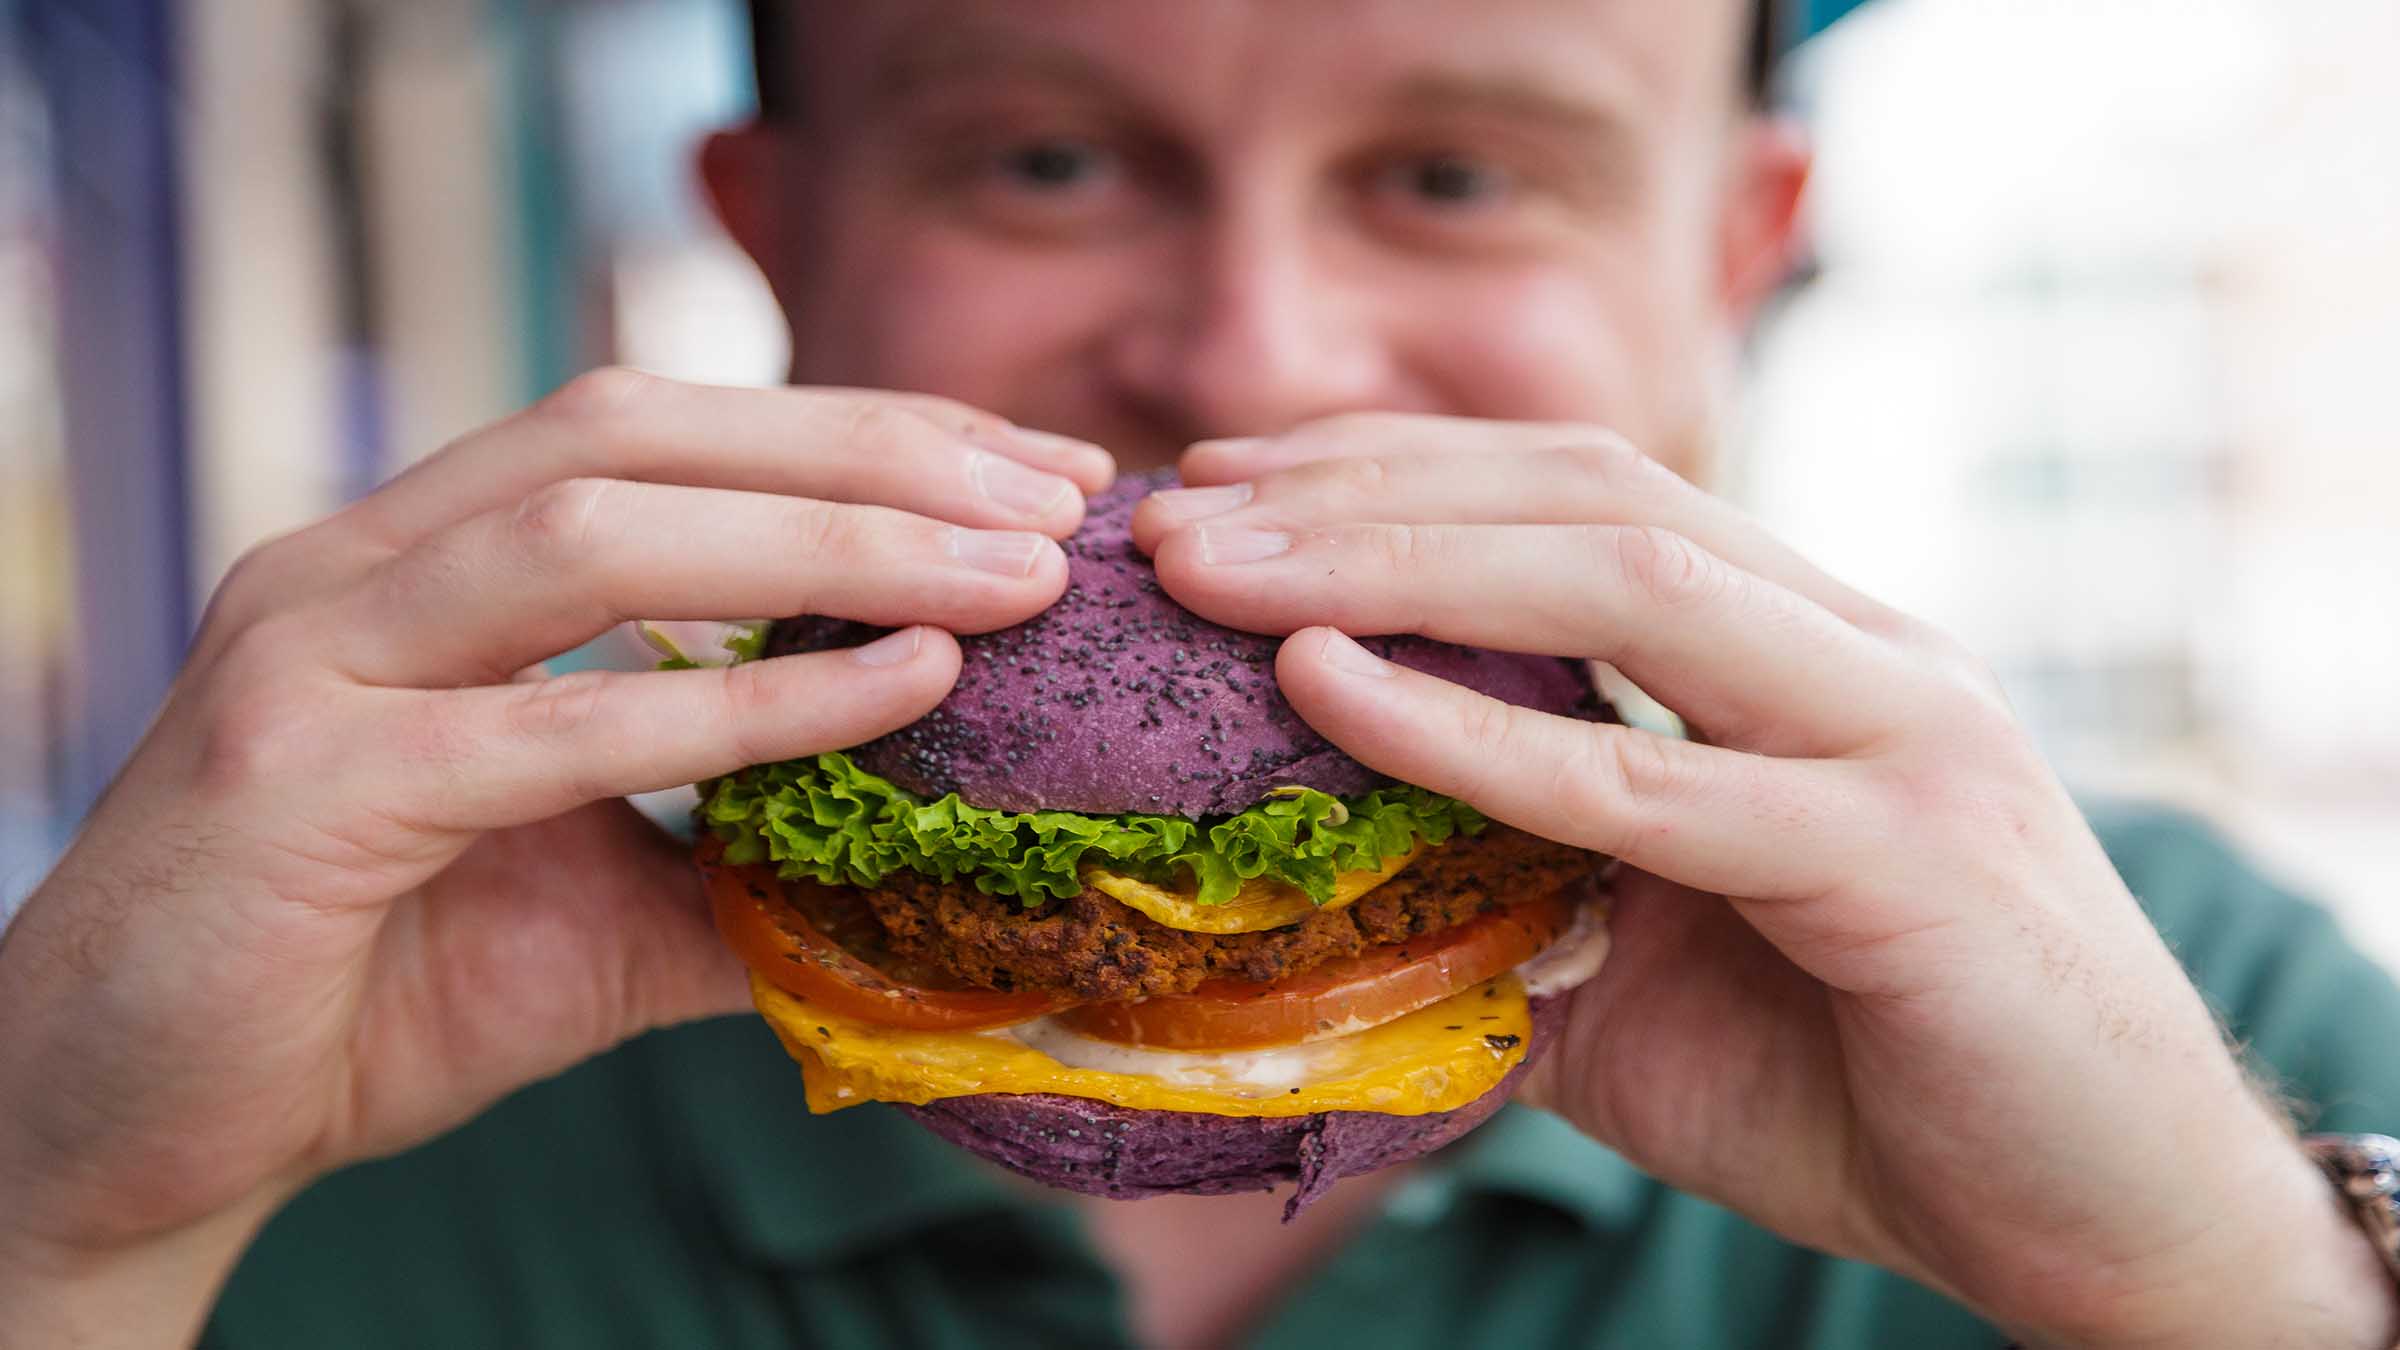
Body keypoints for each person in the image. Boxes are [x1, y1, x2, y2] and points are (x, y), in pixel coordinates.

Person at [4, 1, 2398, 1345]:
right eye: (1043, 160)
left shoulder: (2195, 1017)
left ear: (1735, 253)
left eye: (1457, 176)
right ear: (772, 227)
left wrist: (2220, 1290)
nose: (1245, 347)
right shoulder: (283, 1047)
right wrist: (67, 1238)